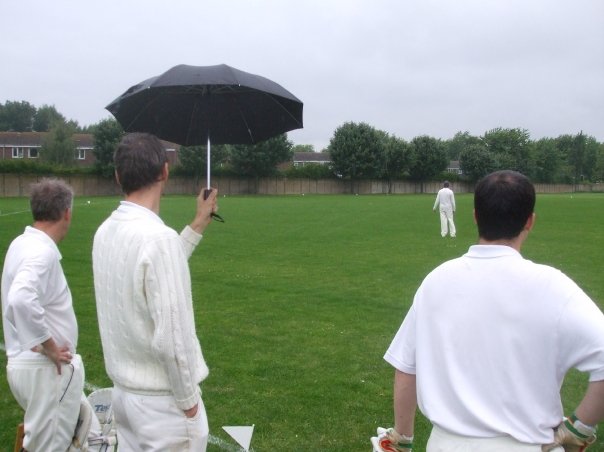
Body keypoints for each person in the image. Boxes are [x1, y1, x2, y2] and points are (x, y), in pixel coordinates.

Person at [375, 170, 604, 451]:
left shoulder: (437, 281)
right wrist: (578, 429)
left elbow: (407, 367)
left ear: (475, 216)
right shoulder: (553, 286)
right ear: (530, 221)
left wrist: (401, 439)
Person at [92, 132, 218, 451]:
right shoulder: (156, 240)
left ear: (118, 175)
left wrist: (198, 223)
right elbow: (172, 339)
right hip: (163, 409)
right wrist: (189, 404)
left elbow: (156, 274)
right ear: (165, 171)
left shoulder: (106, 231)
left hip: (124, 398)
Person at [1, 178, 98, 451]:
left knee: (80, 436)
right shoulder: (41, 252)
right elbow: (20, 298)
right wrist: (50, 347)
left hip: (27, 366)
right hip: (46, 371)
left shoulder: (21, 243)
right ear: (67, 212)